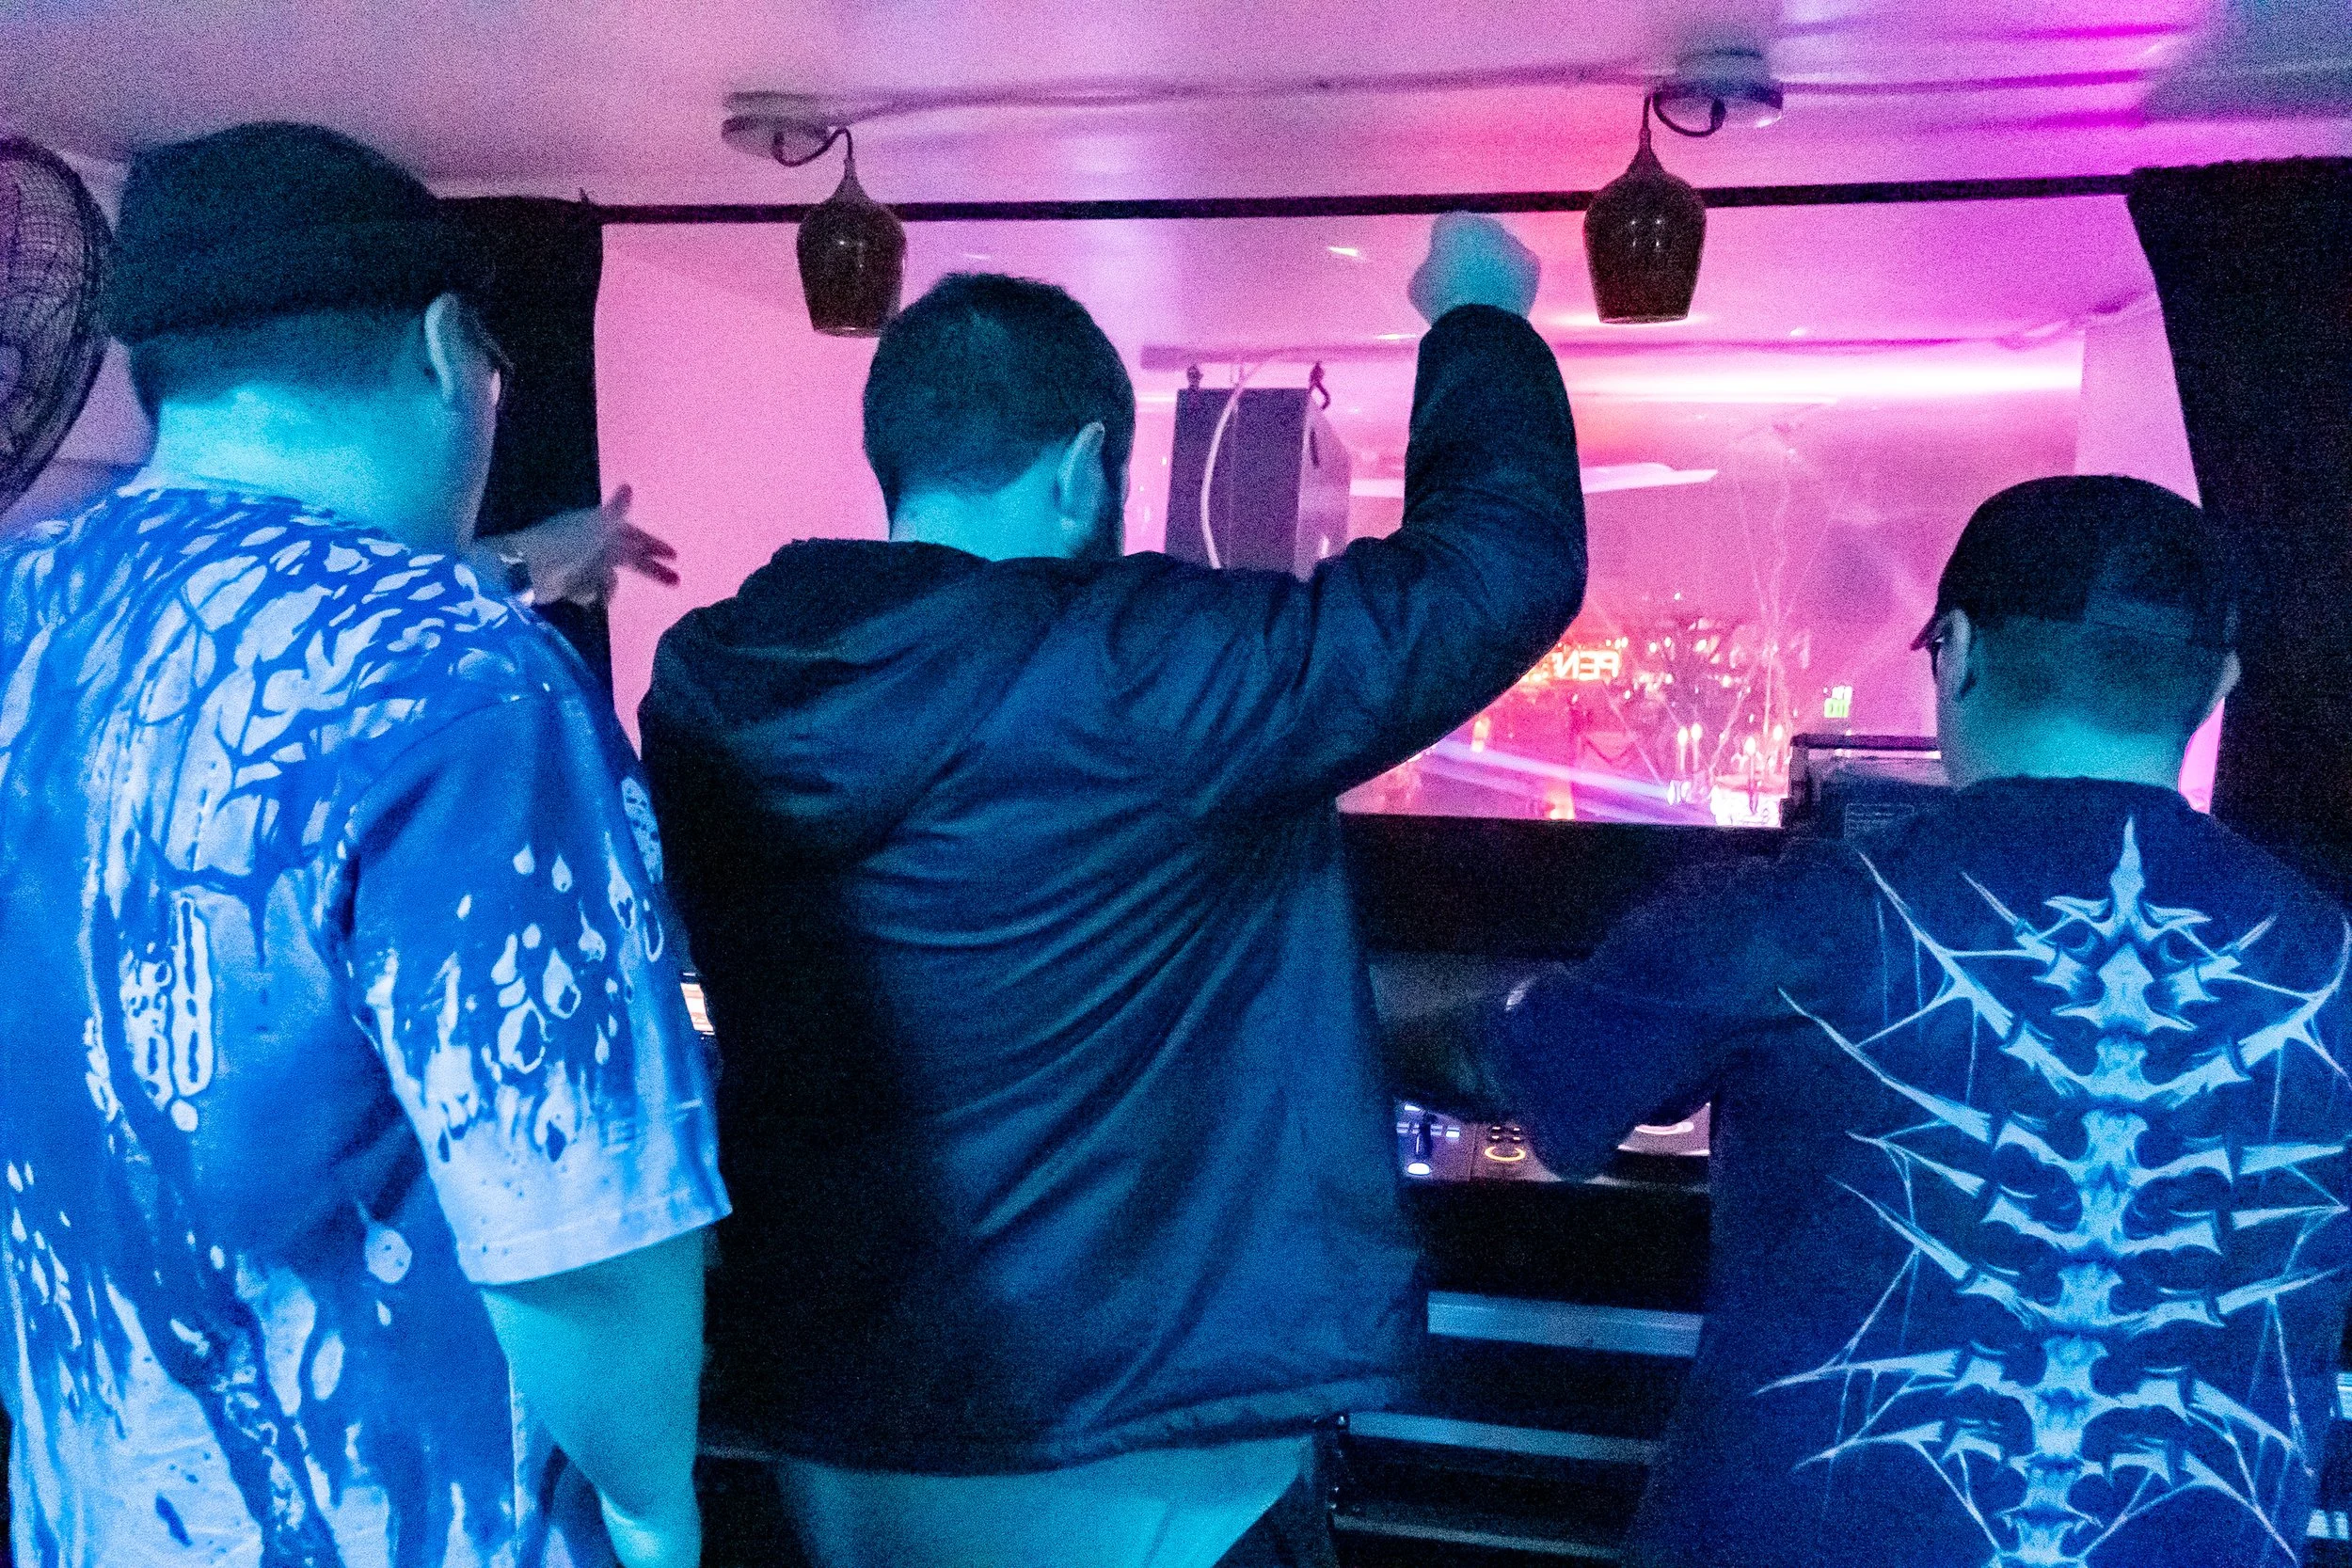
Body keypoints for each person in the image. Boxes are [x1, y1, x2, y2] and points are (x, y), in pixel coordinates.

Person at [638, 213, 1587, 1568]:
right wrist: (1480, 314)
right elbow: (1495, 569)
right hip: (1145, 1459)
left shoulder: (716, 688)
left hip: (841, 1434)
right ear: (1090, 466)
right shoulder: (1134, 674)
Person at [0, 123, 726, 1567]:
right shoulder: (467, 684)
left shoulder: (31, 604)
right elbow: (578, 1223)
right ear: (455, 352)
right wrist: (652, 1499)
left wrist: (531, 555)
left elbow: (251, 657)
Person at [1395, 475, 2352, 1568]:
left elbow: (1497, 1061)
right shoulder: (2332, 958)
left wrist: (1313, 1020)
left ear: (1957, 653)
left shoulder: (1795, 917)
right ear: (2219, 680)